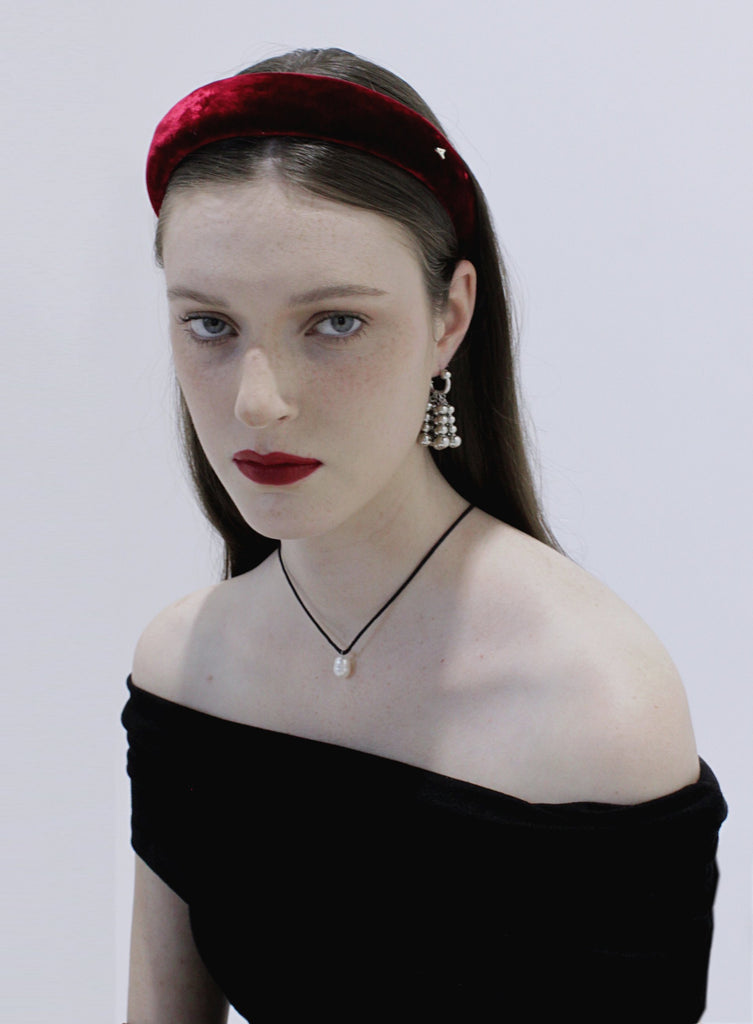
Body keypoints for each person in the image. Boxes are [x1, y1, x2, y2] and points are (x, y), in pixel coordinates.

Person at [122, 47, 727, 1023]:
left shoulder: (596, 700)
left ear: (450, 316)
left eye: (334, 323)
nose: (258, 402)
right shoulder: (186, 665)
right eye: (210, 325)